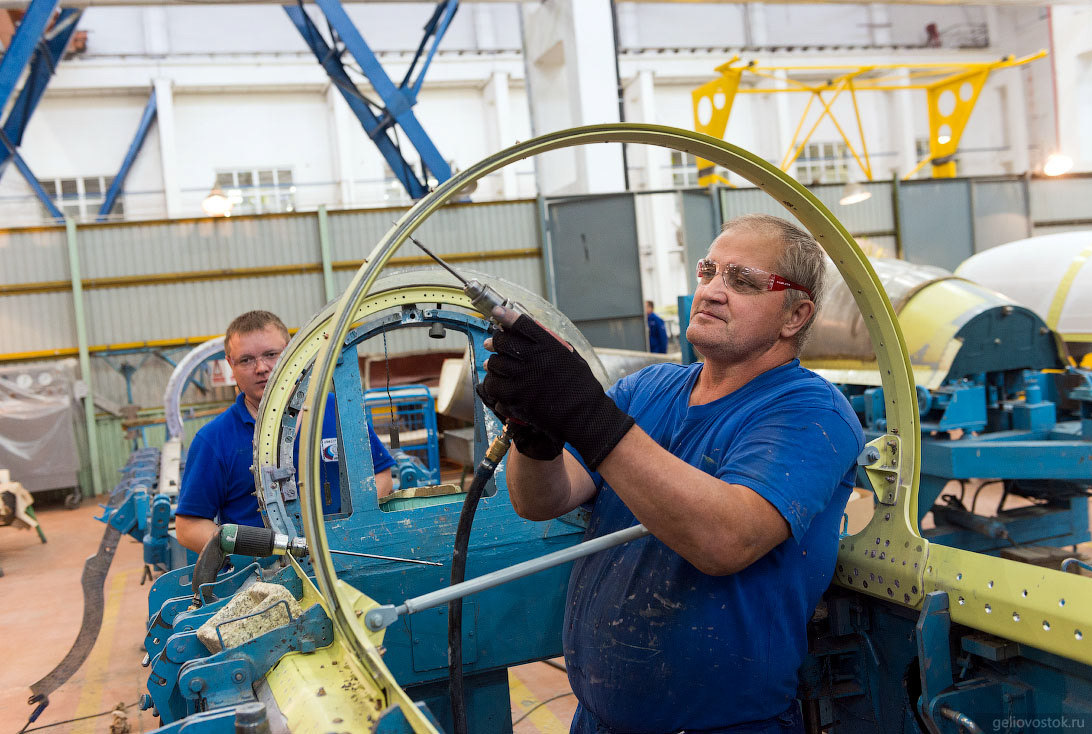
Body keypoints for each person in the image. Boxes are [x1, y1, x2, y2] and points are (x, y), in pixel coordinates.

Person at [478, 214, 864, 733]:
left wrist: (586, 415)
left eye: (742, 280)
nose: (711, 291)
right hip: (597, 719)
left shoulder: (811, 412)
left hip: (721, 725)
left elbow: (726, 538)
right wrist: (534, 435)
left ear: (795, 315)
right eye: (708, 271)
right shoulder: (648, 389)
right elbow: (544, 499)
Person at [176, 311, 395, 553]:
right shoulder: (213, 440)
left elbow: (380, 475)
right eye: (246, 360)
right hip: (263, 575)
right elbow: (188, 526)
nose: (261, 368)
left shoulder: (337, 409)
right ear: (230, 364)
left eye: (271, 355)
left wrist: (350, 533)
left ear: (290, 352)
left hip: (348, 557)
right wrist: (244, 555)